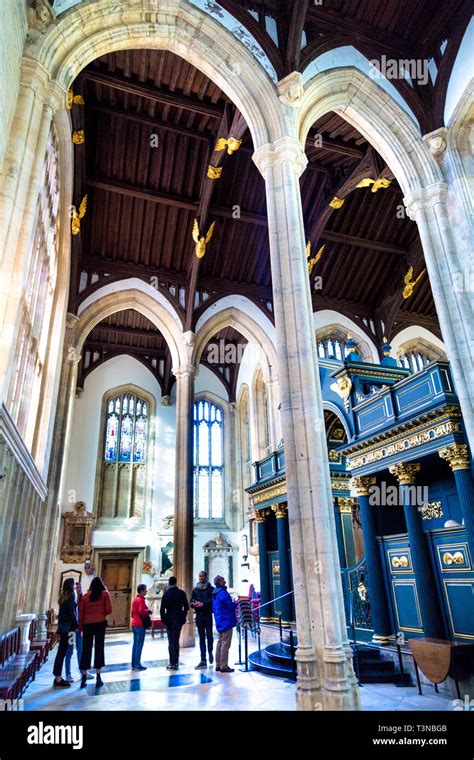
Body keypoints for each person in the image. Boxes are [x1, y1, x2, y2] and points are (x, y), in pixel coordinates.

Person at [78, 576, 112, 689]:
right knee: (99, 648)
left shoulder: (85, 597)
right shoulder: (105, 595)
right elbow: (109, 610)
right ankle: (98, 677)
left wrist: (81, 628)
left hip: (87, 625)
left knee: (86, 649)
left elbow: (81, 614)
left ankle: (83, 678)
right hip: (100, 624)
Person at [52, 577, 78, 688]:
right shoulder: (71, 595)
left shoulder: (63, 596)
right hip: (69, 629)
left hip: (63, 628)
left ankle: (57, 676)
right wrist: (76, 624)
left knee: (61, 653)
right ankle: (58, 678)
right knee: (65, 651)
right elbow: (71, 612)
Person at [160, 576, 189, 670]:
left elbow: (162, 610)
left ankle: (172, 663)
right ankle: (176, 662)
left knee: (171, 642)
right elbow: (186, 607)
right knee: (176, 641)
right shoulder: (181, 593)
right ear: (176, 582)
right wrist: (183, 617)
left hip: (169, 621)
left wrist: (164, 620)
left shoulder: (166, 595)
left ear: (169, 583)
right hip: (178, 620)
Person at [212, 575, 236, 673]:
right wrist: (236, 603)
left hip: (219, 619)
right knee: (226, 643)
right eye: (223, 580)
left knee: (220, 642)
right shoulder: (222, 593)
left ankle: (218, 664)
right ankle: (224, 666)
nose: (225, 581)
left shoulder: (214, 593)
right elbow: (229, 605)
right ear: (219, 582)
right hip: (226, 620)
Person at [190, 571, 214, 669]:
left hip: (207, 616)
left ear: (206, 577)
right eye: (199, 576)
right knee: (201, 638)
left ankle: (210, 651)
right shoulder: (195, 590)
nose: (201, 577)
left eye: (202, 576)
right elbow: (191, 600)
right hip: (199, 616)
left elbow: (212, 601)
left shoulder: (211, 589)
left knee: (209, 636)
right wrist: (193, 604)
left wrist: (203, 604)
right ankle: (203, 659)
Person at [74, 582, 93, 681]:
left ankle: (84, 670)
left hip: (83, 626)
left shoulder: (83, 598)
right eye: (77, 588)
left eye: (80, 587)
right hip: (76, 627)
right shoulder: (73, 599)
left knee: (83, 648)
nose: (79, 589)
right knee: (79, 649)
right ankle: (81, 671)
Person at [131, 583, 152, 671]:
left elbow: (133, 613)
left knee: (135, 645)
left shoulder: (135, 600)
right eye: (145, 589)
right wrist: (148, 611)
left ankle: (134, 664)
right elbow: (141, 611)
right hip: (140, 625)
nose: (146, 591)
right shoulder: (141, 600)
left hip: (134, 624)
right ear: (142, 591)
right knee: (139, 645)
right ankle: (137, 664)